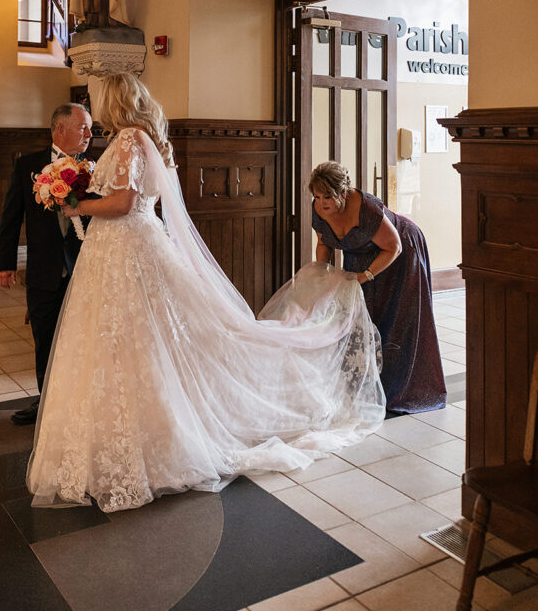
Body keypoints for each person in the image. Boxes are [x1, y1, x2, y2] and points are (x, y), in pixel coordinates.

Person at [26, 75, 385, 514]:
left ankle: (140, 439)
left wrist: (74, 204)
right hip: (133, 245)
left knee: (126, 340)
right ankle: (135, 430)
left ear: (113, 101)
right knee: (142, 341)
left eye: (98, 98)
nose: (94, 106)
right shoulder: (146, 138)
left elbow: (122, 204)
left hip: (122, 247)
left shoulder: (127, 140)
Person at [309, 160, 446, 415]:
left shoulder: (366, 209)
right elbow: (324, 243)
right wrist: (322, 274)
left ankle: (401, 391)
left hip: (400, 254)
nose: (322, 203)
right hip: (361, 259)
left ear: (343, 193)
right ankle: (363, 387)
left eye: (327, 196)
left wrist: (366, 275)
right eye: (317, 196)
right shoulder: (320, 208)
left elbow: (394, 247)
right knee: (363, 319)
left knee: (397, 319)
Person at [0, 103, 93, 425]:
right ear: (60, 129)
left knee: (82, 340)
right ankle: (46, 403)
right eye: (83, 127)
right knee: (45, 339)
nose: (89, 135)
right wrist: (5, 263)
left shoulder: (96, 168)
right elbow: (11, 217)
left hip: (86, 269)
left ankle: (80, 402)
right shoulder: (29, 166)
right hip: (44, 270)